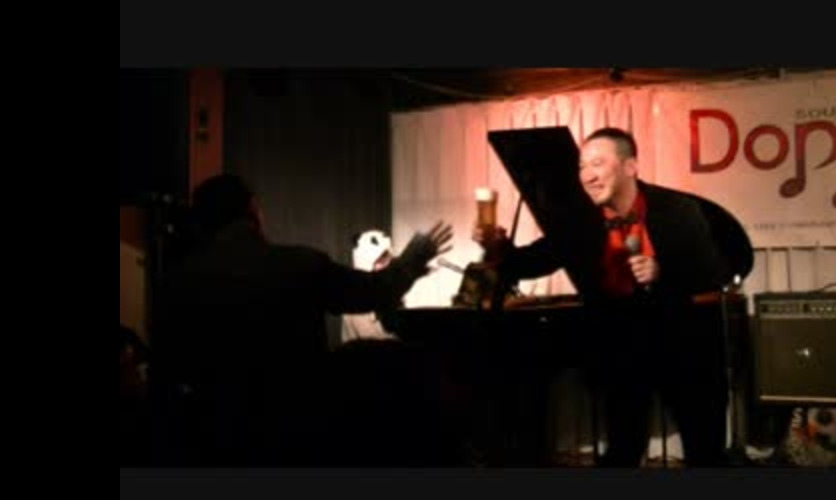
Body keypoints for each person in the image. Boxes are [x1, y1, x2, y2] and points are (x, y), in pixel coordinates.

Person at [474, 127, 740, 467]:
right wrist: (497, 249)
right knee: (622, 450)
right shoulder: (578, 221)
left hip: (682, 343)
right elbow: (529, 263)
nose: (587, 175)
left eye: (597, 163)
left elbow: (714, 271)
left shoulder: (678, 209)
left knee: (704, 454)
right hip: (620, 344)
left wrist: (663, 272)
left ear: (630, 167)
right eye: (582, 166)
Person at [151, 173, 454, 466]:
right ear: (254, 210)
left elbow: (167, 374)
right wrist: (410, 261)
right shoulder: (300, 265)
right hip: (296, 436)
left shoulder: (176, 283)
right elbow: (371, 291)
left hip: (214, 442)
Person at [341, 229, 398, 343]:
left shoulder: (399, 298)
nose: (387, 266)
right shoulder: (352, 312)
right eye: (380, 261)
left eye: (388, 259)